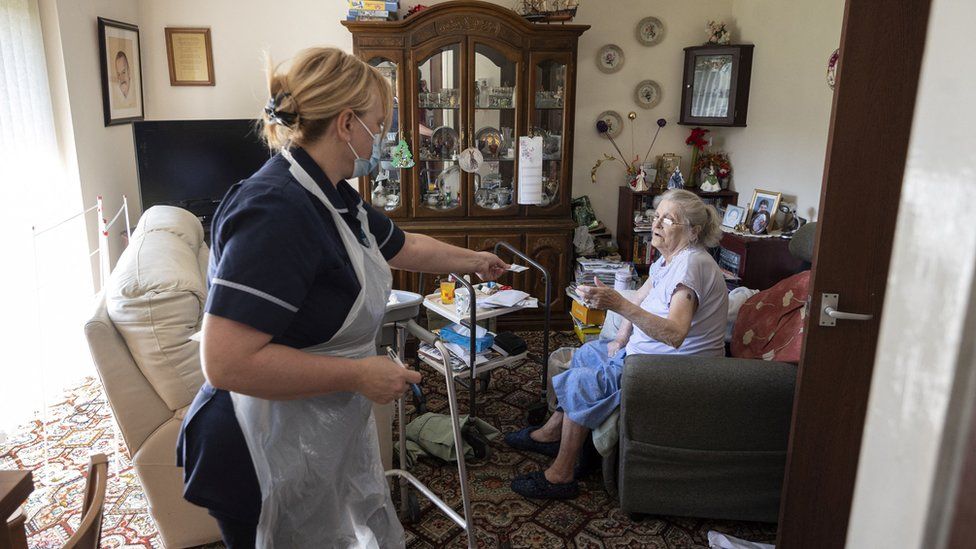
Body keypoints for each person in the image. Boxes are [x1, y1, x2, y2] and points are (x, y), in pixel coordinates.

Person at [176, 47, 508, 547]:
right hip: (253, 442)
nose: (387, 136)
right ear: (348, 123)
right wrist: (360, 374)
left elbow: (403, 245)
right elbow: (224, 363)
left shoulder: (332, 192)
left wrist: (475, 261)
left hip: (304, 427)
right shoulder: (276, 210)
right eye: (382, 123)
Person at [505, 188, 729, 499]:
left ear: (694, 232)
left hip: (673, 370)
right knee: (587, 353)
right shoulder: (668, 262)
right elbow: (640, 298)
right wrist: (621, 338)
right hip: (647, 355)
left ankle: (562, 474)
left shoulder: (693, 265)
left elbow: (676, 334)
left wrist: (616, 304)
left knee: (582, 381)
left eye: (669, 220)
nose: (657, 224)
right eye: (657, 216)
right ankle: (553, 433)